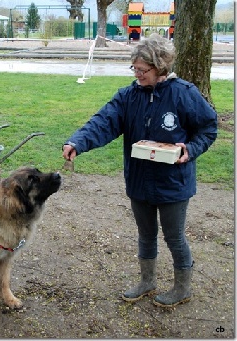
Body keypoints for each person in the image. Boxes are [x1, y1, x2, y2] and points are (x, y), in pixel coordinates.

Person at [62, 33, 217, 308]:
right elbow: (103, 122)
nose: (137, 74)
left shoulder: (184, 94)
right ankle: (147, 281)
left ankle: (182, 288)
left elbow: (207, 128)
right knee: (145, 235)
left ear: (160, 68)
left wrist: (189, 150)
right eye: (134, 68)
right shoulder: (128, 96)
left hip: (173, 184)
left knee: (174, 237)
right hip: (139, 181)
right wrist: (77, 142)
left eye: (142, 70)